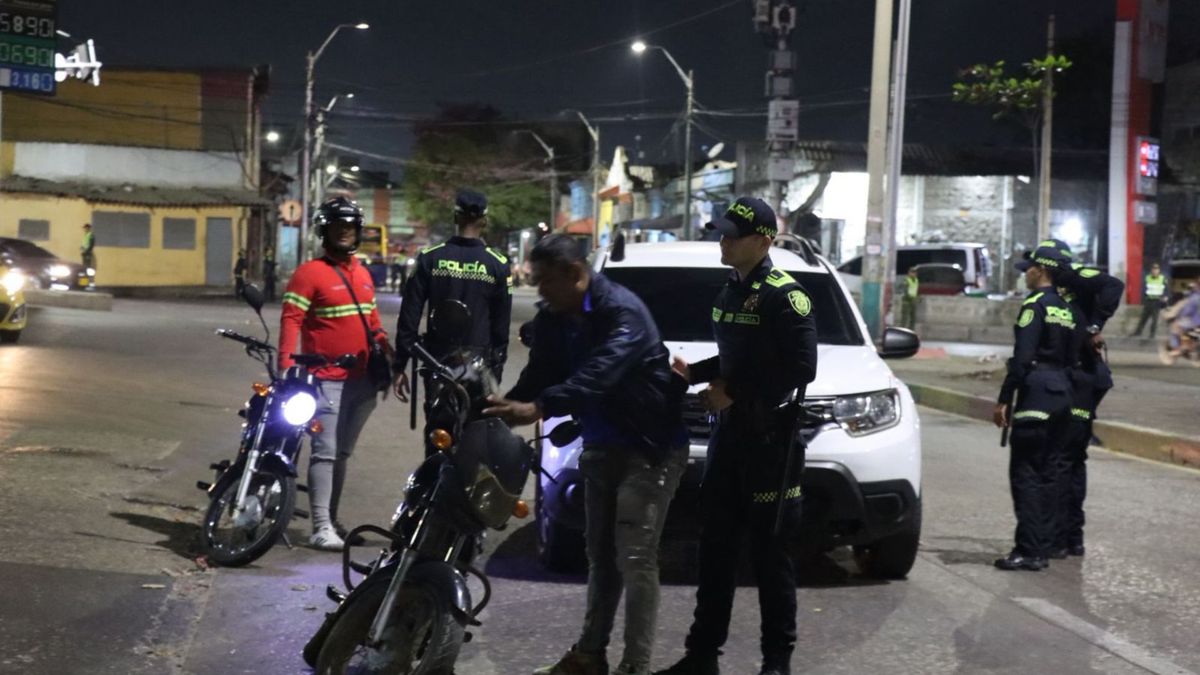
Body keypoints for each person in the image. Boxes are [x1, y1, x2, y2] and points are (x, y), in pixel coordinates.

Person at [484, 233, 689, 675]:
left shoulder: (623, 313)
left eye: (545, 281)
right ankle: (590, 654)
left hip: (650, 448)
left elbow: (599, 375)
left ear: (575, 275)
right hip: (601, 444)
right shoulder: (557, 317)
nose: (539, 290)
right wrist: (502, 408)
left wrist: (538, 408)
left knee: (634, 556)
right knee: (599, 555)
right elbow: (542, 372)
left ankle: (634, 665)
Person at [658, 197, 818, 675]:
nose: (723, 240)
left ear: (763, 240)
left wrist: (735, 392)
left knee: (771, 560)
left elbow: (800, 368)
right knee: (716, 553)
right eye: (722, 232)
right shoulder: (730, 289)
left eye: (732, 234)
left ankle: (776, 662)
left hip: (769, 442)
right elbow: (734, 360)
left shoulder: (785, 295)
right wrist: (689, 374)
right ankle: (702, 656)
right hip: (728, 441)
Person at [279, 197, 392, 551]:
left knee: (341, 453)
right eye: (338, 226)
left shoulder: (362, 273)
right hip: (326, 377)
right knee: (324, 453)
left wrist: (388, 354)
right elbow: (291, 320)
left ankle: (331, 518)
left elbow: (372, 322)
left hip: (363, 380)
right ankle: (320, 526)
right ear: (324, 231)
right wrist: (285, 366)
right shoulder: (309, 273)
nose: (345, 232)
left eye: (351, 226)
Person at [392, 190, 512, 447]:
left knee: (438, 437)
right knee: (476, 442)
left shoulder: (430, 258)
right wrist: (496, 370)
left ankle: (433, 484)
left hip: (437, 363)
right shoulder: (498, 264)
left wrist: (400, 364)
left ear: (455, 217)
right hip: (480, 367)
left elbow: (409, 317)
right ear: (484, 221)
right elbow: (501, 327)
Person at [1031, 240, 1122, 559]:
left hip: (1082, 379)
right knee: (1070, 458)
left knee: (1061, 458)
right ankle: (1070, 537)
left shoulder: (1073, 277)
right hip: (1079, 379)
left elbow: (1113, 284)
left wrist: (1096, 324)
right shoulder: (1054, 296)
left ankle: (1061, 537)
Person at [991, 249, 1079, 572]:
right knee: (1049, 475)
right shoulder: (1067, 310)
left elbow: (1022, 358)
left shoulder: (1034, 306)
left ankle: (1028, 550)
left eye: (1028, 269)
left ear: (1041, 271)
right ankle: (1043, 547)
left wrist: (1004, 398)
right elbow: (1073, 359)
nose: (1025, 273)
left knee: (1026, 475)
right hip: (1063, 396)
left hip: (1037, 396)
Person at [1130, 263, 1167, 338]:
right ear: (1151, 270)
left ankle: (1152, 334)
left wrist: (1165, 297)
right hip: (1148, 300)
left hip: (1157, 300)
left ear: (1159, 271)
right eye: (1153, 269)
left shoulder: (1162, 278)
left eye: (1156, 269)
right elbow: (1144, 288)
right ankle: (1138, 332)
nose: (1155, 271)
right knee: (1143, 317)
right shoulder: (1147, 277)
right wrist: (1143, 298)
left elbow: (1166, 289)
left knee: (1155, 319)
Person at [1165, 282, 1200, 359]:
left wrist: (1177, 316)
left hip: (1194, 322)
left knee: (1175, 328)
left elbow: (1187, 311)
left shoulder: (1193, 298)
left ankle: (1176, 349)